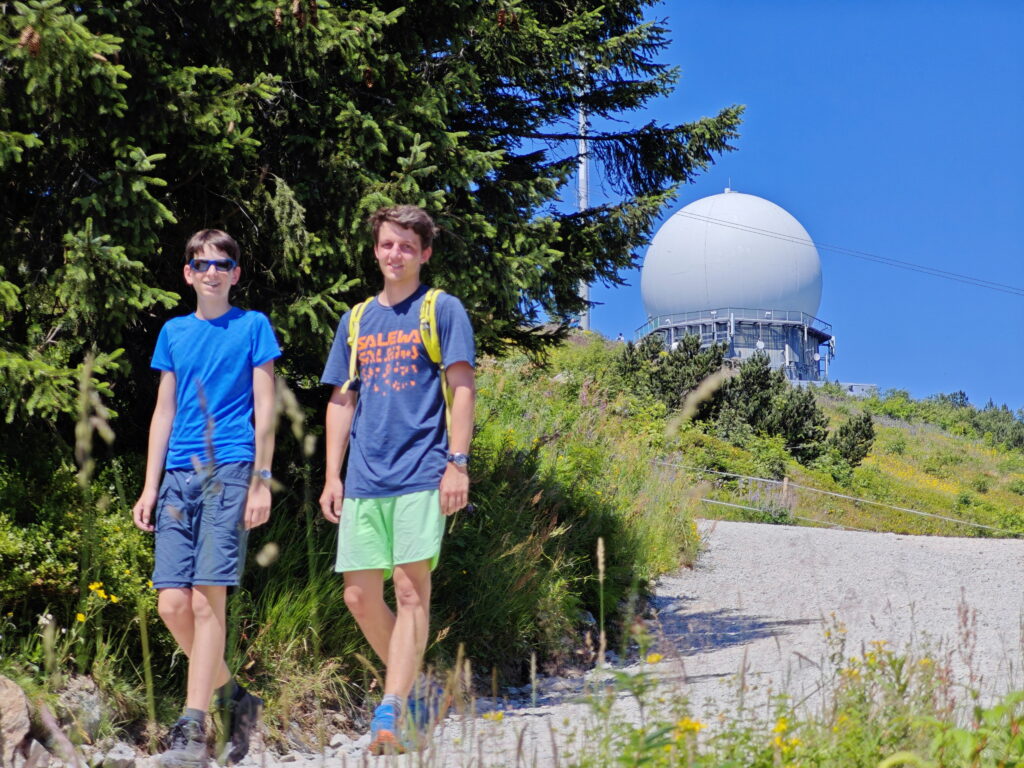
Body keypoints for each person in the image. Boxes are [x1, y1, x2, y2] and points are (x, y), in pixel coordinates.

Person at [319, 205, 475, 755]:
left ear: (424, 253)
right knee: (359, 597)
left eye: (407, 246)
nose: (395, 254)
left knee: (410, 591)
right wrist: (331, 475)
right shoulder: (357, 319)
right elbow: (342, 398)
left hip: (420, 471)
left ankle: (391, 708)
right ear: (376, 248)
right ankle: (418, 691)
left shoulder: (441, 309)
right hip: (363, 475)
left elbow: (461, 388)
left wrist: (457, 463)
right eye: (387, 244)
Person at [132, 229, 281, 768]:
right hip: (176, 475)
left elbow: (267, 406)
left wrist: (262, 479)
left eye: (223, 264)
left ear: (235, 274)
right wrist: (150, 485)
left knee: (205, 598)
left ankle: (192, 731)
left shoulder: (252, 326)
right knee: (171, 604)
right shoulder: (172, 332)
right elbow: (163, 414)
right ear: (188, 273)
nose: (212, 272)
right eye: (202, 264)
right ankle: (237, 700)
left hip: (232, 467)